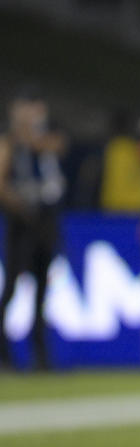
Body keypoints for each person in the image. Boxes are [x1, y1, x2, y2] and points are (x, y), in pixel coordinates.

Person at [0, 88, 67, 370]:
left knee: (42, 287)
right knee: (13, 285)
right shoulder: (9, 141)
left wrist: (29, 130)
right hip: (22, 219)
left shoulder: (44, 136)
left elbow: (56, 145)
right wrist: (20, 206)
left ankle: (41, 356)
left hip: (46, 218)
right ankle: (3, 353)